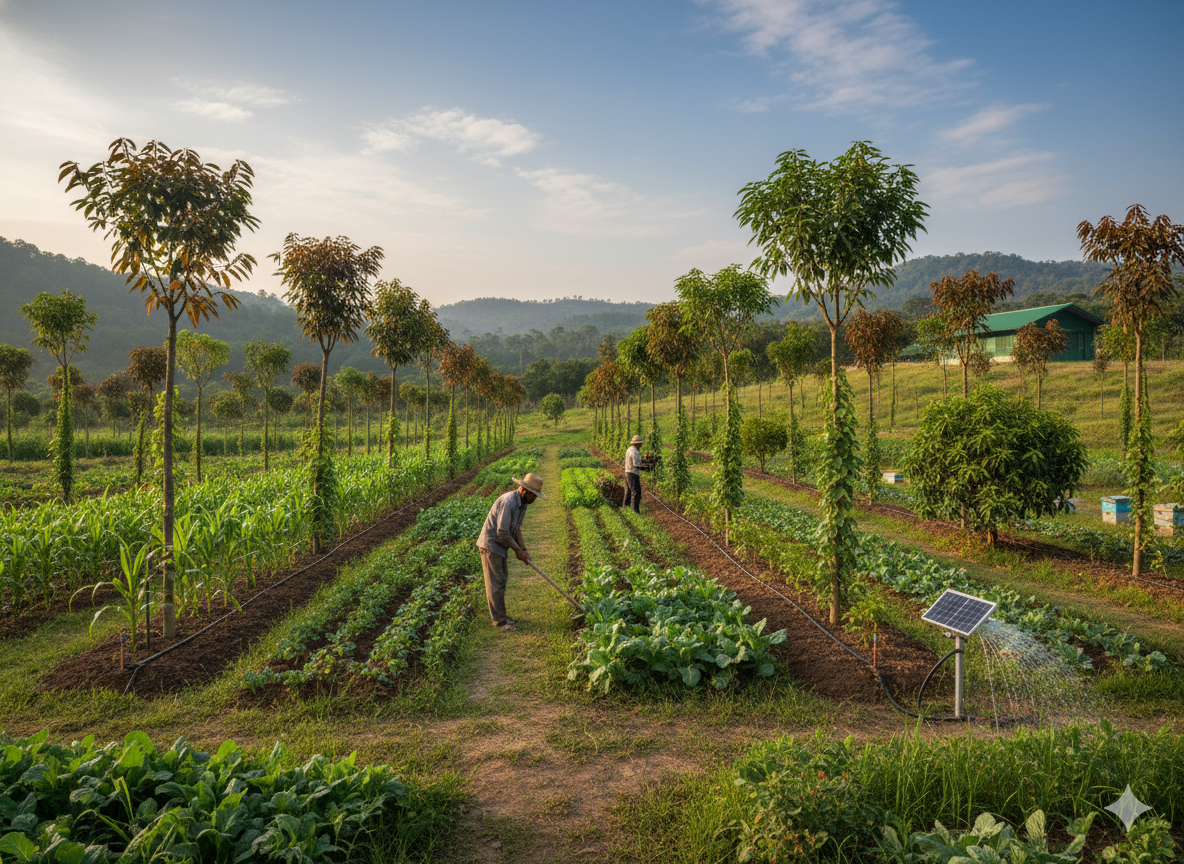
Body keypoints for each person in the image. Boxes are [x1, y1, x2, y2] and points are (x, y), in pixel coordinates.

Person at [477, 472, 546, 631]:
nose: (535, 499)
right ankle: (500, 622)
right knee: (496, 583)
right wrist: (517, 551)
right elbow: (502, 531)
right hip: (491, 544)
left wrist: (524, 550)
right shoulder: (509, 501)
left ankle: (501, 616)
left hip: (500, 545)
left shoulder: (523, 504)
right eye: (534, 495)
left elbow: (516, 529)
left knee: (501, 580)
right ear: (525, 490)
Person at [623, 434, 643, 513]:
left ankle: (625, 507)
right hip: (633, 473)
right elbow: (636, 464)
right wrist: (645, 467)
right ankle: (635, 510)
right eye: (640, 443)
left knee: (627, 491)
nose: (641, 445)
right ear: (637, 443)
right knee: (636, 492)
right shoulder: (635, 452)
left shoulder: (629, 449)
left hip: (627, 471)